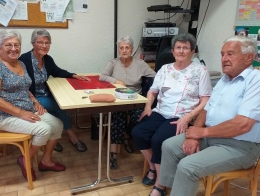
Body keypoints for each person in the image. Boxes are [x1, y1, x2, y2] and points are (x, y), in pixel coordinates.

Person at [158, 35, 260, 196]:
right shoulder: (224, 80)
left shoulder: (256, 81)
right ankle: (173, 191)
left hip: (239, 146)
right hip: (211, 137)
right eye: (222, 54)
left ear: (249, 57)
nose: (224, 59)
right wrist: (193, 136)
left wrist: (202, 132)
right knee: (169, 146)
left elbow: (243, 124)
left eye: (230, 54)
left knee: (187, 166)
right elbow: (205, 110)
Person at [131, 33, 212, 196]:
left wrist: (188, 117)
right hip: (161, 112)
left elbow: (206, 100)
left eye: (185, 48)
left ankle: (160, 185)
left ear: (192, 51)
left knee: (159, 140)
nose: (181, 51)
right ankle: (153, 168)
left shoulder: (200, 71)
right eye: (178, 47)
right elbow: (152, 91)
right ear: (173, 50)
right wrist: (148, 107)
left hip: (183, 116)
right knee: (138, 133)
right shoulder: (165, 69)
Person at [0, 30, 66, 181]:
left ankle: (46, 161)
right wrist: (21, 113)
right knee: (44, 129)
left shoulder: (20, 63)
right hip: (4, 116)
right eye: (8, 45)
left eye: (16, 45)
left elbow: (25, 87)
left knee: (57, 124)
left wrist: (35, 101)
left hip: (27, 109)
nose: (13, 48)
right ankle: (25, 159)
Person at [19, 29, 88, 153]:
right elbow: (20, 85)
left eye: (47, 43)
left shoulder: (47, 59)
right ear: (33, 43)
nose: (44, 46)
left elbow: (57, 71)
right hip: (31, 98)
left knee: (56, 108)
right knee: (60, 107)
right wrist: (34, 101)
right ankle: (72, 137)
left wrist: (73, 75)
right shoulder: (24, 60)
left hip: (46, 95)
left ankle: (52, 139)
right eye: (40, 42)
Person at [99, 35, 156, 169]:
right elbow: (102, 76)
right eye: (121, 48)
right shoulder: (113, 62)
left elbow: (156, 76)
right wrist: (115, 81)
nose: (124, 50)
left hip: (135, 99)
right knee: (117, 119)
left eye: (127, 48)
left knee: (139, 119)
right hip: (118, 99)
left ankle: (129, 139)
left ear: (132, 49)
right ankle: (113, 154)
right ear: (119, 50)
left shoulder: (140, 64)